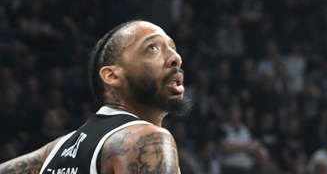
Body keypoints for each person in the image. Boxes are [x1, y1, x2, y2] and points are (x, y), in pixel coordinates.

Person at [0, 20, 191, 174]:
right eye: (152, 48)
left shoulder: (57, 149)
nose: (176, 57)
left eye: (172, 47)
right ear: (112, 76)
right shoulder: (147, 139)